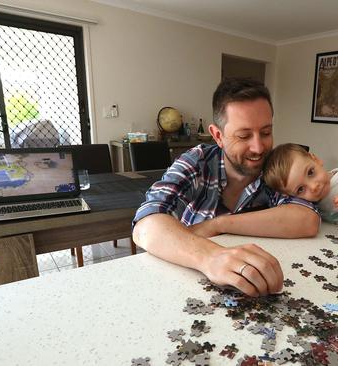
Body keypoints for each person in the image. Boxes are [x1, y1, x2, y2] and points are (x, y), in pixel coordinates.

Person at [132, 78, 320, 297]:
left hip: (256, 291)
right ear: (218, 136)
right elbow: (145, 226)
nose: (258, 147)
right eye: (244, 135)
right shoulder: (196, 162)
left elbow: (307, 220)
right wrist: (210, 258)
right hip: (188, 284)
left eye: (266, 132)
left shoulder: (277, 167)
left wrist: (218, 224)